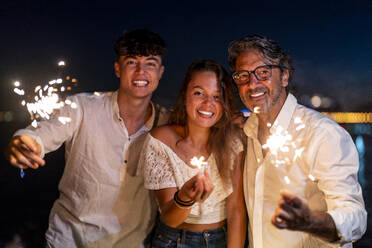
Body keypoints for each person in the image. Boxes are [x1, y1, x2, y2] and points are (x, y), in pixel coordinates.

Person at [5, 29, 169, 248]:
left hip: (132, 243)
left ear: (160, 72)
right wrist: (24, 141)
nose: (141, 71)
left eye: (150, 63)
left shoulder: (167, 123)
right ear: (117, 69)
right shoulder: (82, 107)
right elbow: (44, 132)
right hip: (70, 239)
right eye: (131, 62)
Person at [228, 35, 367, 248]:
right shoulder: (246, 134)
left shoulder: (322, 134)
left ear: (284, 76)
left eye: (263, 72)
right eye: (243, 76)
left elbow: (355, 218)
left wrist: (310, 222)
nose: (252, 83)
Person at [138, 60, 246, 247]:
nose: (208, 103)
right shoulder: (161, 140)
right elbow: (169, 218)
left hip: (222, 239)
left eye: (217, 96)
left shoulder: (232, 142)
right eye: (199, 93)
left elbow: (236, 210)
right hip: (174, 240)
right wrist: (185, 198)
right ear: (185, 95)